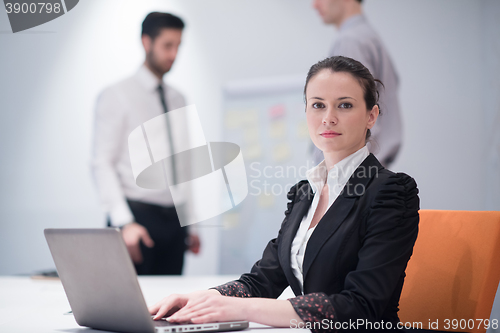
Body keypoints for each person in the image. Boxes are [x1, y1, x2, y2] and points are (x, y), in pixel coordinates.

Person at [148, 56, 419, 331]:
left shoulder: (390, 192)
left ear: (371, 116)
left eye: (345, 105)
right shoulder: (305, 193)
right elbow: (262, 281)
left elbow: (362, 307)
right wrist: (203, 298)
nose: (328, 118)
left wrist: (239, 308)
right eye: (317, 105)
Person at [91, 12, 200, 275]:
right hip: (136, 219)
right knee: (128, 307)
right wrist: (124, 222)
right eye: (167, 45)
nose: (173, 54)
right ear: (146, 42)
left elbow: (183, 165)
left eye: (178, 46)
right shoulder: (117, 95)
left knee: (171, 309)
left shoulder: (179, 99)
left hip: (174, 222)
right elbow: (101, 162)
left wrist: (192, 224)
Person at [312, 0, 402, 168]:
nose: (314, 5)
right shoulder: (367, 37)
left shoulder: (350, 42)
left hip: (352, 175)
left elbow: (347, 123)